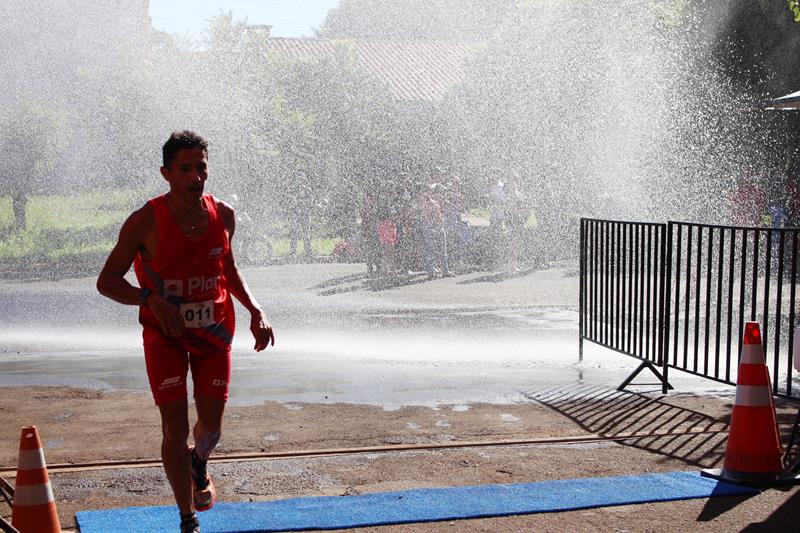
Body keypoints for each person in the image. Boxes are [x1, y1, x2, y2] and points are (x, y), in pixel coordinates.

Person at [96, 131, 275, 533]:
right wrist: (150, 299)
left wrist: (256, 309)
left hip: (214, 331)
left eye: (201, 168)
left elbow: (227, 268)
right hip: (165, 336)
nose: (196, 177)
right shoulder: (145, 221)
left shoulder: (223, 215)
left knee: (211, 427)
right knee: (174, 428)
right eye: (186, 169)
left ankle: (200, 462)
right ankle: (186, 517)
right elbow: (107, 281)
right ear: (167, 174)